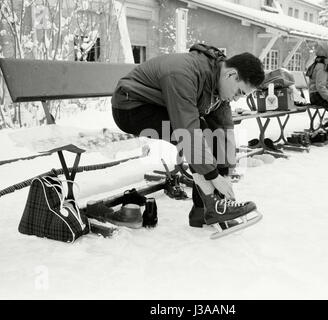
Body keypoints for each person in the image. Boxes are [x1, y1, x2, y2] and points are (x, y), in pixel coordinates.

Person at [111, 43, 265, 231]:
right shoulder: (184, 74)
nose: (236, 99)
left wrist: (225, 173)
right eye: (239, 92)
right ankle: (213, 206)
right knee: (198, 133)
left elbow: (224, 130)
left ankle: (206, 211)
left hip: (160, 104)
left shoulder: (218, 84)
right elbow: (188, 131)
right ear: (231, 74)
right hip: (130, 106)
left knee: (212, 134)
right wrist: (214, 177)